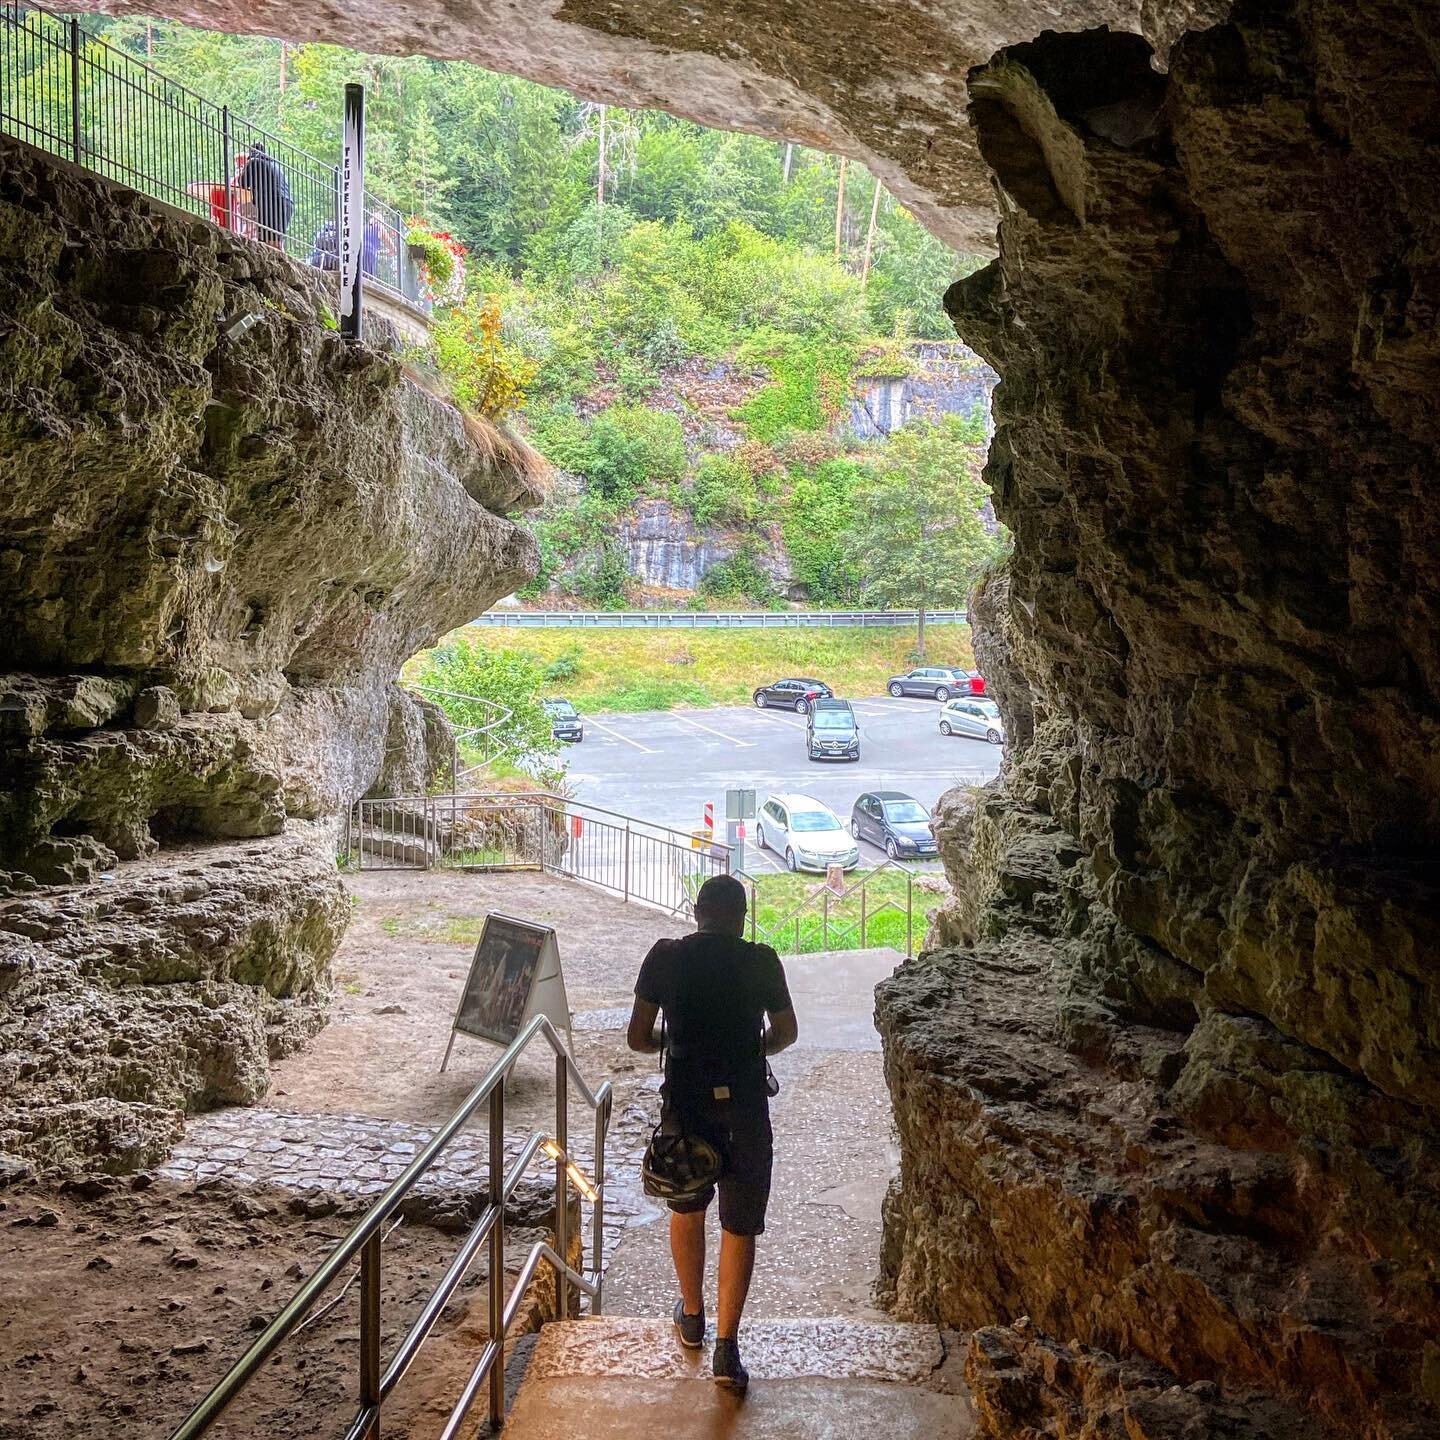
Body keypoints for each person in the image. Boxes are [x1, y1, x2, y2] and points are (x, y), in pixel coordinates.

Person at [627, 874, 798, 1392]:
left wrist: (673, 1038)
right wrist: (751, 1051)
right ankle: (727, 1348)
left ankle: (693, 1316)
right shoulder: (761, 960)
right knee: (740, 1223)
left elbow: (638, 1037)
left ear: (697, 912)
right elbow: (786, 1032)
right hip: (745, 1105)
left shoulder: (666, 957)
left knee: (686, 1206)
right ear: (741, 918)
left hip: (686, 1107)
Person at [236, 142, 294, 251]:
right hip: (287, 203)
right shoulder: (276, 165)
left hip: (271, 203)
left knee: (268, 238)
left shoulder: (254, 161)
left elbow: (242, 182)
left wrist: (245, 168)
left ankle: (273, 263)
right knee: (277, 238)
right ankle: (281, 263)